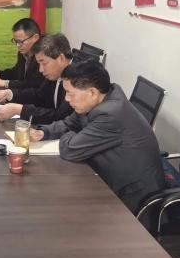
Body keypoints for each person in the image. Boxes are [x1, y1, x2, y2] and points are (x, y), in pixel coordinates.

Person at [32, 60, 164, 213]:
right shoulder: (98, 100)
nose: (67, 99)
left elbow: (70, 149)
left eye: (70, 93)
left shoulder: (111, 114)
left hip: (132, 199)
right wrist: (43, 132)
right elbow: (70, 123)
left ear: (92, 93)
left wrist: (75, 135)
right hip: (107, 178)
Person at [0, 33, 74, 124]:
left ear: (61, 58)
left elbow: (60, 117)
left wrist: (20, 110)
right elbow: (40, 95)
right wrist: (10, 94)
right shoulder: (56, 72)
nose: (41, 70)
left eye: (44, 63)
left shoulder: (77, 79)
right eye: (39, 64)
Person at [0, 17, 44, 89]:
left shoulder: (44, 56)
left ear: (35, 38)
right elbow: (16, 72)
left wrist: (4, 83)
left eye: (20, 41)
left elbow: (34, 85)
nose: (18, 45)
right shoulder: (23, 53)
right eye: (16, 41)